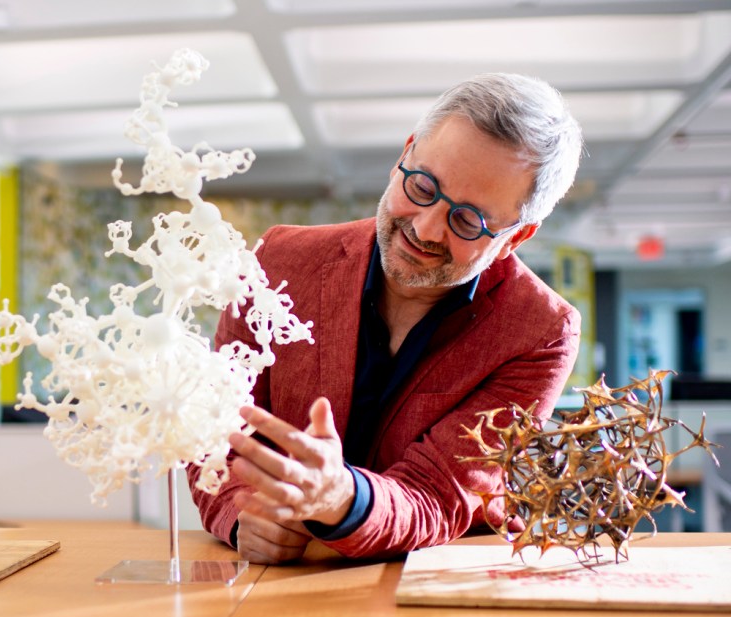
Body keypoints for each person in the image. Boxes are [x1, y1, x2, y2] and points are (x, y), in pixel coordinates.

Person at [187, 72, 585, 564]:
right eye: (422, 186)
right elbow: (212, 429)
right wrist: (240, 513)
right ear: (405, 154)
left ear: (517, 236)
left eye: (467, 220)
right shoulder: (279, 261)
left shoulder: (541, 332)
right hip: (281, 588)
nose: (425, 228)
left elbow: (439, 494)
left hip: (432, 591)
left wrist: (341, 501)